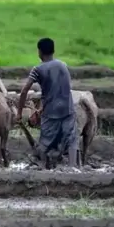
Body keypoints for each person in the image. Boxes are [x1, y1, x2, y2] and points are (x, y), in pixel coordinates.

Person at [17, 38, 78, 169]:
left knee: (46, 141)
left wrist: (19, 113)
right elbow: (61, 88)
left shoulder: (38, 69)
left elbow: (24, 91)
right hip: (68, 109)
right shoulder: (63, 65)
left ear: (39, 52)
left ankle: (43, 167)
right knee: (71, 139)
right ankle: (73, 168)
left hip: (51, 112)